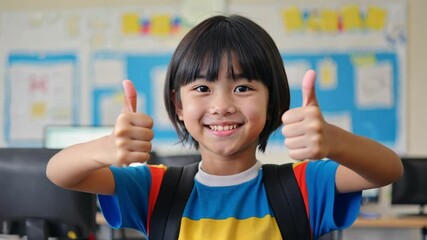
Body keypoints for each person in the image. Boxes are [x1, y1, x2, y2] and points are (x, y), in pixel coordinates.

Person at [46, 14, 403, 240]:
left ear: (274, 105)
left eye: (243, 87)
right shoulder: (154, 188)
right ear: (179, 107)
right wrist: (105, 148)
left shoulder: (303, 185)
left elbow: (387, 169)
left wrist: (334, 141)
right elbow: (60, 173)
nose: (221, 105)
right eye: (202, 88)